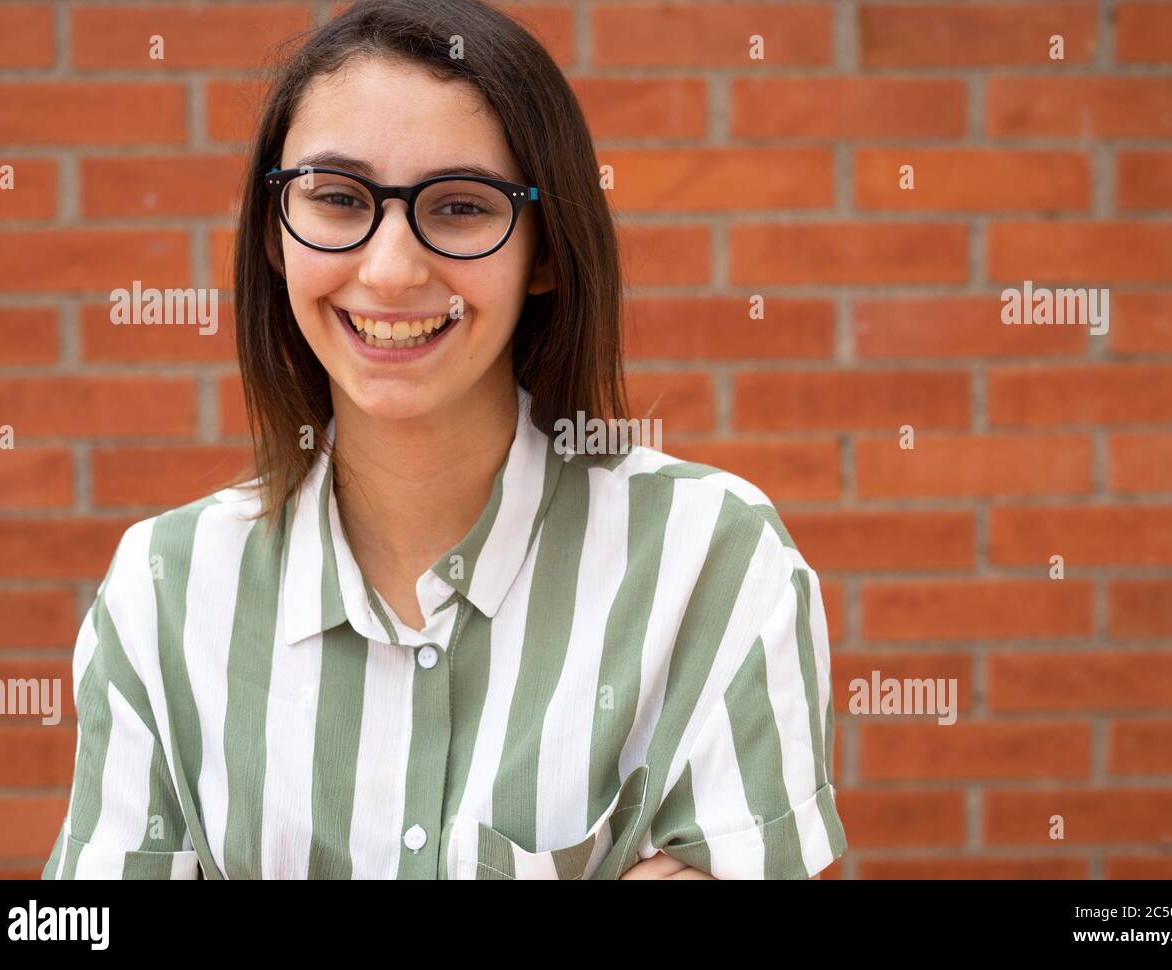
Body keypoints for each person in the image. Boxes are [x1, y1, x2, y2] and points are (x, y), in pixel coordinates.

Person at [43, 0, 847, 880]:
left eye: (461, 206)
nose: (390, 270)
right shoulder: (166, 590)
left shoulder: (709, 562)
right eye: (339, 198)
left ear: (545, 250)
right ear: (277, 237)